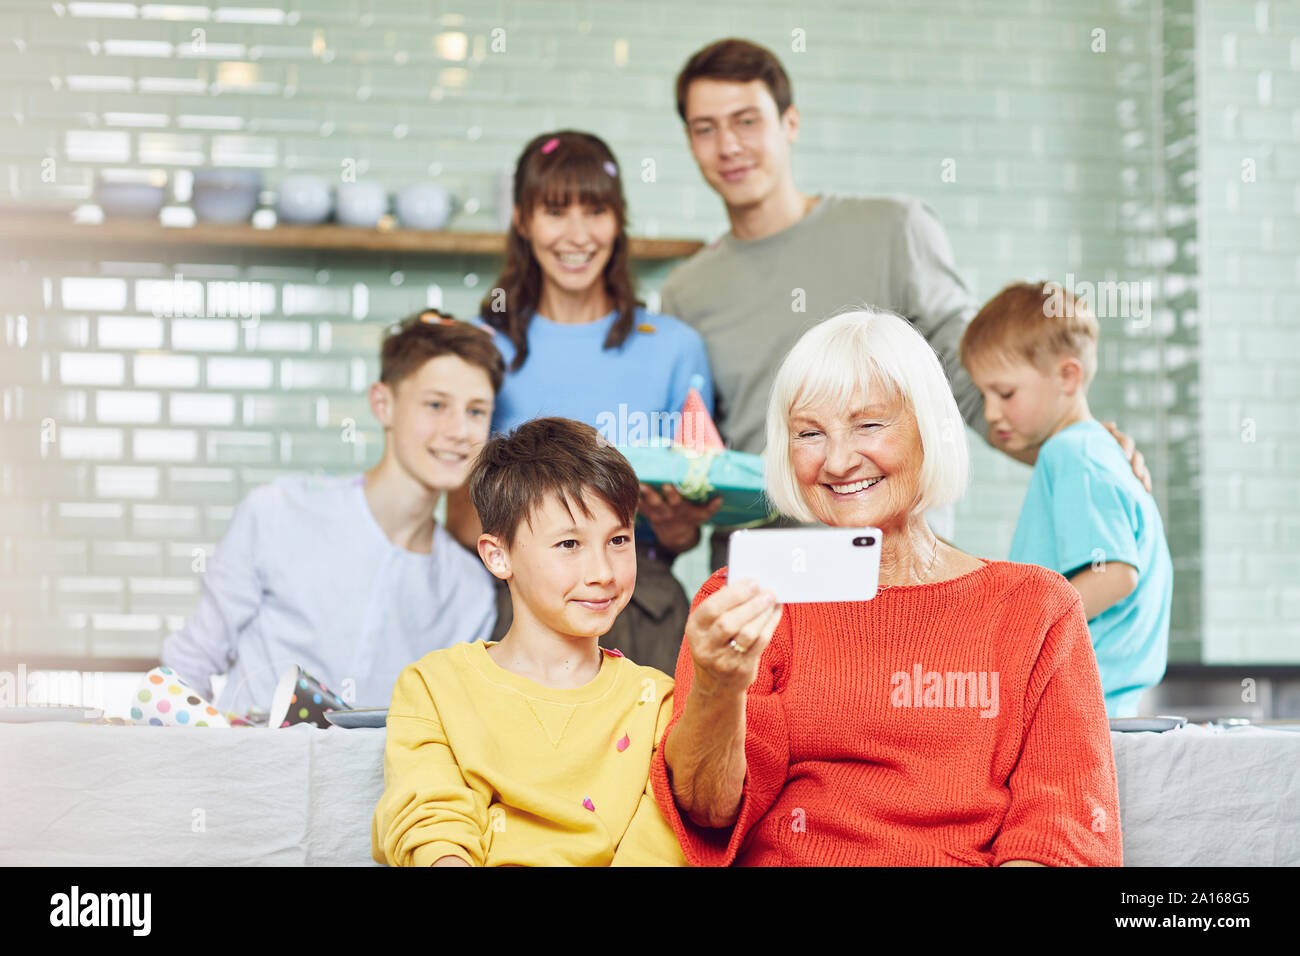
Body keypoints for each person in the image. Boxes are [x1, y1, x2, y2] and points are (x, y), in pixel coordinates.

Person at [654, 37, 1152, 570]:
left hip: (896, 560)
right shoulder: (687, 291)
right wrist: (677, 520)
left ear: (790, 123)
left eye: (747, 121)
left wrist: (1080, 451)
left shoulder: (893, 230)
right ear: (688, 141)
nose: (728, 145)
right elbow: (705, 457)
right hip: (769, 570)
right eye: (705, 129)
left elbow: (972, 382)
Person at [652, 309, 1122, 866]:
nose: (839, 460)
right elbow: (709, 811)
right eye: (810, 433)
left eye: (869, 424)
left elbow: (1059, 834)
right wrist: (716, 688)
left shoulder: (1035, 607)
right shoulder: (745, 602)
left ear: (930, 428)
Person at [448, 129, 717, 676]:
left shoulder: (673, 347)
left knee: (653, 761)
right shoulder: (482, 349)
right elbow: (458, 514)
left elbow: (690, 520)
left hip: (645, 608)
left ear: (618, 222)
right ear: (522, 220)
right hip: (520, 612)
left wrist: (676, 526)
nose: (576, 234)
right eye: (554, 211)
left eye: (594, 211)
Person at [372, 418, 687, 867]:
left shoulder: (658, 702)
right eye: (569, 544)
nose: (602, 571)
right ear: (498, 556)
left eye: (618, 539)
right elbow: (432, 824)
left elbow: (659, 845)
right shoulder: (434, 687)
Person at [161, 313, 502, 718]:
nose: (459, 430)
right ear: (383, 404)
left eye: (476, 411)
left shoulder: (471, 593)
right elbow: (188, 667)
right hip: (243, 776)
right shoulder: (278, 512)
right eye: (436, 405)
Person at [961, 281, 1173, 717]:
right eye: (984, 396)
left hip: (1076, 707)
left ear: (1067, 376)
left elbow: (1114, 574)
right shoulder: (1097, 450)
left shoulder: (1072, 452)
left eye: (1005, 393)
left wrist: (1016, 637)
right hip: (1101, 704)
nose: (991, 413)